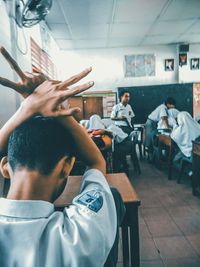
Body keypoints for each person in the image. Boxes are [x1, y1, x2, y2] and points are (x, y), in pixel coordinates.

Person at [0, 47, 125, 267]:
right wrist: (57, 109)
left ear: (4, 166)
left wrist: (26, 109)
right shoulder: (80, 235)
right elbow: (97, 161)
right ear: (67, 165)